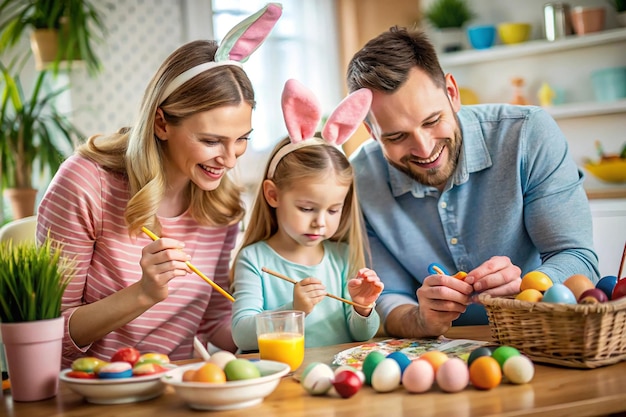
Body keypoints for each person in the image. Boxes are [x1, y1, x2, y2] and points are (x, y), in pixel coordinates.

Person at [35, 3, 283, 369]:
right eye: (212, 141)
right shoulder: (85, 184)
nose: (230, 160)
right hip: (95, 394)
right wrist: (143, 294)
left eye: (241, 139)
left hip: (179, 389)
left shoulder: (222, 205)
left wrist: (285, 319)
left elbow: (213, 324)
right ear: (162, 123)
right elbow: (47, 338)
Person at [345, 27, 600, 338]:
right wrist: (420, 319)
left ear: (452, 92)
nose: (425, 150)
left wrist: (528, 285)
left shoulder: (527, 134)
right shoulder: (359, 177)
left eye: (432, 120)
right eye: (397, 137)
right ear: (372, 133)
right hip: (442, 353)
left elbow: (577, 256)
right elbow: (387, 297)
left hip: (542, 337)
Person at [230, 79, 383, 350]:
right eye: (306, 208)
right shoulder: (254, 259)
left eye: (333, 210)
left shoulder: (342, 256)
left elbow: (363, 336)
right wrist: (294, 309)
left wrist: (363, 308)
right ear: (272, 195)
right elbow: (241, 335)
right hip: (282, 381)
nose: (320, 222)